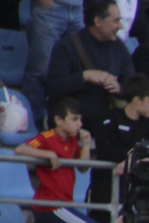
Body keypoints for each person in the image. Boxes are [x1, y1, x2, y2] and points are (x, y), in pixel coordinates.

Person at [83, 74, 149, 223]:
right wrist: (131, 156)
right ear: (136, 100)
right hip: (103, 187)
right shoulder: (109, 119)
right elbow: (106, 151)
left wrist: (131, 158)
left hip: (131, 191)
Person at [15, 98, 103, 223]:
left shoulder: (74, 139)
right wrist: (48, 155)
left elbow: (83, 168)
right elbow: (20, 149)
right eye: (74, 119)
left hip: (61, 203)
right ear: (59, 120)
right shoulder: (47, 137)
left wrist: (86, 145)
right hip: (53, 204)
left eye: (80, 119)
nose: (80, 124)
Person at [46, 0, 136, 133]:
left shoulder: (119, 48)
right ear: (98, 21)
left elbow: (133, 85)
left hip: (106, 120)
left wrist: (119, 88)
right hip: (73, 121)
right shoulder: (67, 46)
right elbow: (53, 87)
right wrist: (85, 76)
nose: (120, 26)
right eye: (116, 21)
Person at [24, 0, 84, 127]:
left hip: (79, 8)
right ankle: (34, 126)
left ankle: (62, 127)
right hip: (51, 8)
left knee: (75, 70)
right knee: (40, 70)